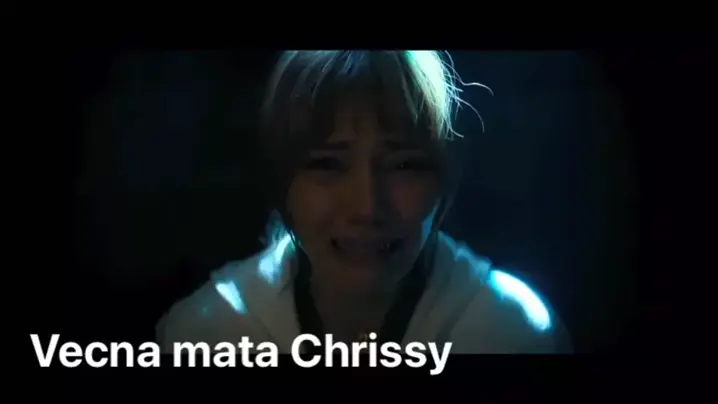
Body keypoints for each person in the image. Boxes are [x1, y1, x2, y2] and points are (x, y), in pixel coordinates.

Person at [156, 51, 571, 354]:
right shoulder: (207, 334)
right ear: (283, 182)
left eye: (404, 165)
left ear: (444, 181)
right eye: (327, 164)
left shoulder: (510, 332)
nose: (367, 207)